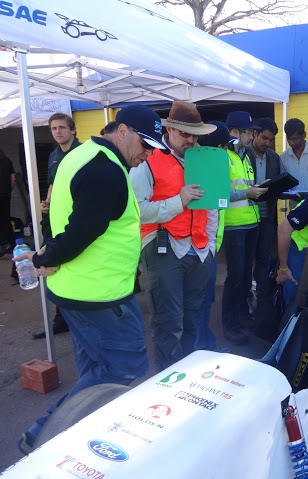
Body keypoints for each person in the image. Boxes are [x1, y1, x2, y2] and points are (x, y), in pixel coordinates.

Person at [15, 104, 168, 454]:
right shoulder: (105, 169)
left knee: (95, 371)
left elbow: (62, 216)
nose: (148, 155)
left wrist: (48, 253)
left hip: (76, 290)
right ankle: (44, 432)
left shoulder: (82, 155)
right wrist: (44, 257)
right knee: (124, 368)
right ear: (123, 131)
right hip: (100, 297)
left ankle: (80, 435)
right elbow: (81, 231)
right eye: (145, 145)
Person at [130, 101, 217, 372]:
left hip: (199, 249)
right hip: (163, 247)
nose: (191, 140)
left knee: (193, 319)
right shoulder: (148, 159)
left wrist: (211, 245)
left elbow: (212, 207)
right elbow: (138, 211)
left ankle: (188, 375)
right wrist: (179, 201)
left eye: (195, 135)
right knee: (168, 322)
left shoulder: (204, 159)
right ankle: (167, 380)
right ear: (169, 130)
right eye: (185, 134)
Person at [32, 113, 82, 339]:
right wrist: (47, 203)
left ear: (73, 130)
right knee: (53, 265)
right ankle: (61, 318)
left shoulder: (83, 153)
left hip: (76, 220)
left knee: (74, 265)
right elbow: (53, 184)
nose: (58, 132)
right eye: (54, 128)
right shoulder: (53, 156)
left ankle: (78, 315)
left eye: (62, 127)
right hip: (54, 219)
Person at [222, 111, 267, 345]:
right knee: (235, 277)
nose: (252, 136)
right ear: (235, 132)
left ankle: (241, 317)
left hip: (251, 222)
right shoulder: (223, 156)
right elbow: (218, 191)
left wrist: (257, 189)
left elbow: (245, 187)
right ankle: (230, 325)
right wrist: (247, 193)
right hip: (234, 225)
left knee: (245, 275)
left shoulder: (244, 156)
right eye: (248, 132)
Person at [196, 121, 238, 352]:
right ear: (217, 147)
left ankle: (204, 346)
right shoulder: (199, 171)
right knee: (200, 302)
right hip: (199, 248)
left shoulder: (209, 168)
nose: (226, 151)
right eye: (224, 146)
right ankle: (202, 349)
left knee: (205, 300)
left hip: (208, 246)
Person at [245, 118, 281, 334]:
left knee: (262, 260)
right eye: (264, 138)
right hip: (246, 216)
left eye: (271, 140)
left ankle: (262, 306)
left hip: (267, 215)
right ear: (254, 134)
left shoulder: (274, 158)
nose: (267, 143)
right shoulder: (242, 154)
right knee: (245, 262)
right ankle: (245, 302)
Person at [0, 149, 15, 257]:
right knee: (6, 219)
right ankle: (11, 244)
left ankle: (4, 243)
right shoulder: (7, 160)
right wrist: (9, 190)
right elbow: (13, 179)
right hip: (5, 194)